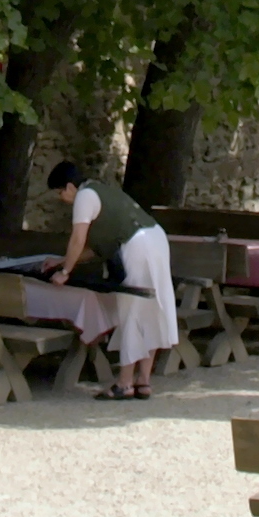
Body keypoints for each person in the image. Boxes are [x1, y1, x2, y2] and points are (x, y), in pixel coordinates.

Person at [45, 159, 178, 400]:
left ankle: (125, 383)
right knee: (149, 309)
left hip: (138, 246)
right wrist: (61, 260)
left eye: (60, 193)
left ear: (69, 186)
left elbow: (78, 239)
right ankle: (143, 381)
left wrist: (64, 273)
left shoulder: (84, 197)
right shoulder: (101, 191)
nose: (61, 199)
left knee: (131, 309)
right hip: (155, 239)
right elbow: (96, 249)